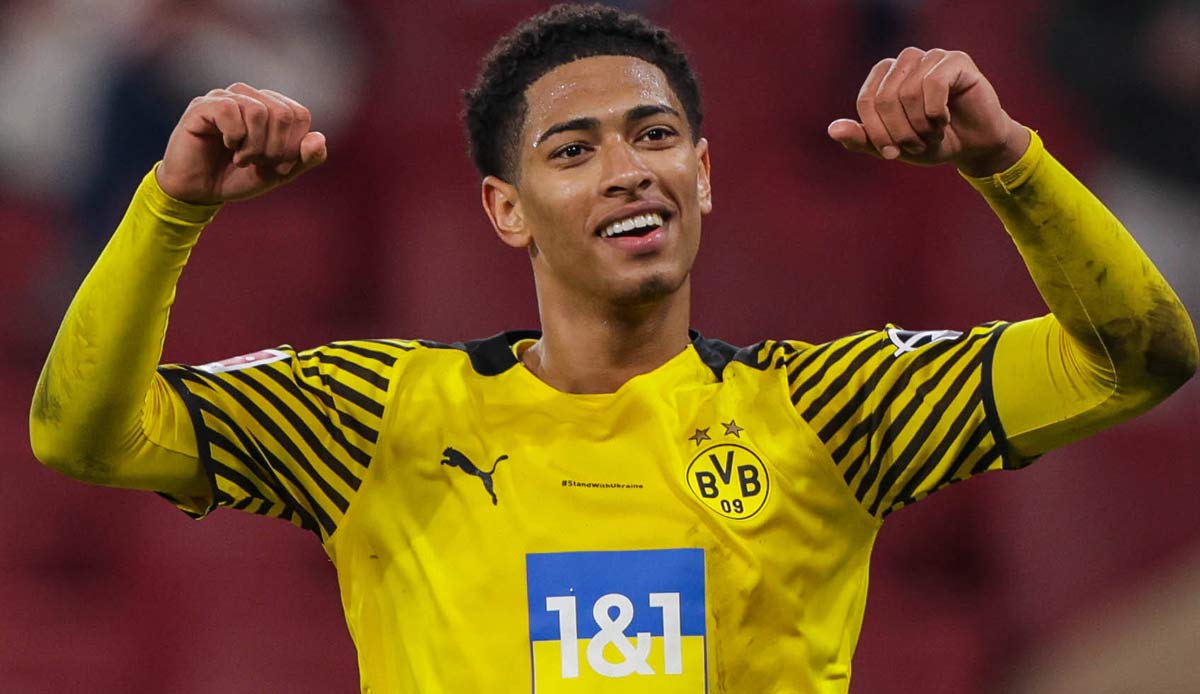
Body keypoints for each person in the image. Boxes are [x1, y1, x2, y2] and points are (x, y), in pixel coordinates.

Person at [28, 3, 1197, 692]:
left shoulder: (833, 408)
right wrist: (169, 211)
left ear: (703, 177)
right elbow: (82, 433)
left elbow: (1134, 359)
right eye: (573, 149)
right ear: (504, 209)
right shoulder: (373, 414)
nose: (629, 169)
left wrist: (1011, 166)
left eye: (654, 135)